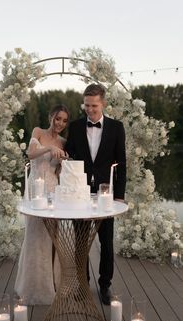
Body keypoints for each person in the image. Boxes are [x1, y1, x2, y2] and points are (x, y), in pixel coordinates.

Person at [65, 84, 126, 305]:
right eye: (86, 105)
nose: (89, 110)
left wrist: (119, 195)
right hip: (79, 194)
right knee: (80, 243)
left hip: (106, 195)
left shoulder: (117, 127)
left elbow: (122, 163)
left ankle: (105, 286)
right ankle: (83, 285)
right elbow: (70, 153)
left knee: (107, 243)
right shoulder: (75, 126)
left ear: (103, 104)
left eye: (94, 105)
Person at [14, 104, 69, 305]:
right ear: (50, 117)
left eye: (64, 120)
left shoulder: (64, 142)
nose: (60, 123)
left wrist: (64, 163)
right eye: (57, 119)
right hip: (35, 188)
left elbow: (59, 173)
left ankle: (52, 284)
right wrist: (49, 147)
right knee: (34, 234)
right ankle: (31, 286)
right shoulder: (38, 131)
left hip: (53, 189)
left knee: (51, 236)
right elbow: (30, 155)